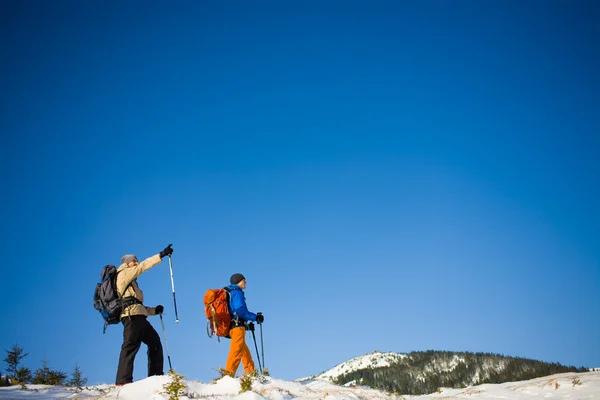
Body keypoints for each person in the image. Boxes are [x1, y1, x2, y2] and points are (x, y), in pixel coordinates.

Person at [115, 244, 174, 385]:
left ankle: (155, 376)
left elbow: (136, 304)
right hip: (131, 318)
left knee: (155, 343)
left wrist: (154, 310)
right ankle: (122, 382)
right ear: (126, 263)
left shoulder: (131, 282)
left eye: (136, 260)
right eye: (133, 261)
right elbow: (143, 266)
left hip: (139, 317)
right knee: (130, 346)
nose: (136, 262)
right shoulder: (123, 273)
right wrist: (161, 255)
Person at [225, 273, 264, 376]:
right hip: (237, 328)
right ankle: (228, 376)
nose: (245, 282)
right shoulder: (236, 292)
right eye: (244, 280)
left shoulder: (231, 292)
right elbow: (240, 310)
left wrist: (247, 325)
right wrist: (255, 317)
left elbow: (235, 313)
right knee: (236, 351)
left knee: (243, 350)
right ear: (238, 281)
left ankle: (251, 373)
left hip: (234, 326)